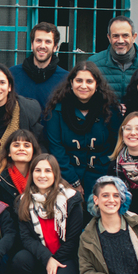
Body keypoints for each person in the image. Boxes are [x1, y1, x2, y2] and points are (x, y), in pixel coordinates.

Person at [10, 154, 86, 274]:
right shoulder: (23, 201)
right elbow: (27, 239)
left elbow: (73, 241)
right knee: (20, 259)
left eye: (48, 171)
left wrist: (48, 271)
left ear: (56, 174)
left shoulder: (72, 199)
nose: (42, 175)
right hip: (41, 257)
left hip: (65, 257)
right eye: (38, 170)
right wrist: (47, 260)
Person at [45, 62, 121, 199]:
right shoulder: (56, 110)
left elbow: (116, 144)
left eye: (89, 81)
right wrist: (72, 181)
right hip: (66, 176)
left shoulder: (110, 109)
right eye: (79, 80)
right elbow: (56, 147)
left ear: (97, 84)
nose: (84, 85)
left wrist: (105, 178)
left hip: (102, 175)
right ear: (71, 83)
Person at [89, 16, 138, 97]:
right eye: (115, 36)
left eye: (125, 35)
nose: (120, 41)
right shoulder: (94, 63)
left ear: (134, 37)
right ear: (109, 38)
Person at [7, 22, 68, 109]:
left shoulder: (65, 79)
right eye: (39, 40)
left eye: (48, 42)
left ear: (55, 47)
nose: (42, 46)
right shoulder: (12, 74)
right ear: (32, 44)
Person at [0, 129, 42, 207]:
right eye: (16, 145)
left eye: (26, 145)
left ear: (33, 152)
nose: (21, 148)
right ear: (9, 152)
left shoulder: (42, 176)